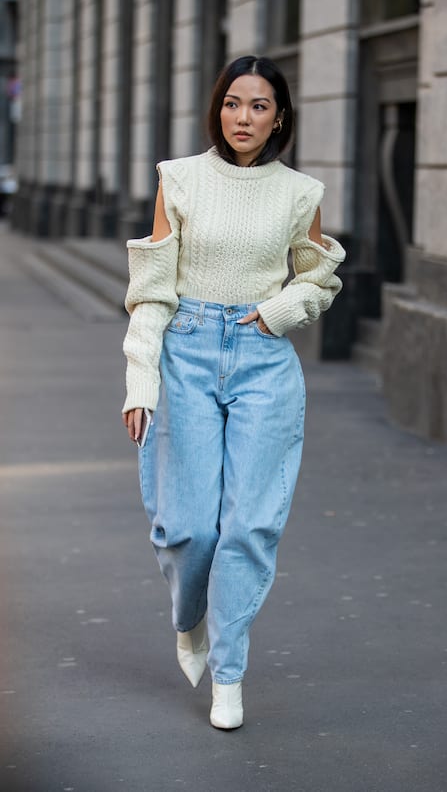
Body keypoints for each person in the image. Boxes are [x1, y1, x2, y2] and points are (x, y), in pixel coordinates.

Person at [121, 55, 346, 730]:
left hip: (262, 359)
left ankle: (230, 672)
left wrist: (282, 311)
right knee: (190, 527)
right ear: (216, 109)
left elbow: (319, 275)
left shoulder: (299, 192)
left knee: (250, 526)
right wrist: (141, 377)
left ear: (280, 117)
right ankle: (190, 617)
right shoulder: (179, 179)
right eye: (231, 103)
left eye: (258, 106)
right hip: (185, 352)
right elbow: (152, 291)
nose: (242, 117)